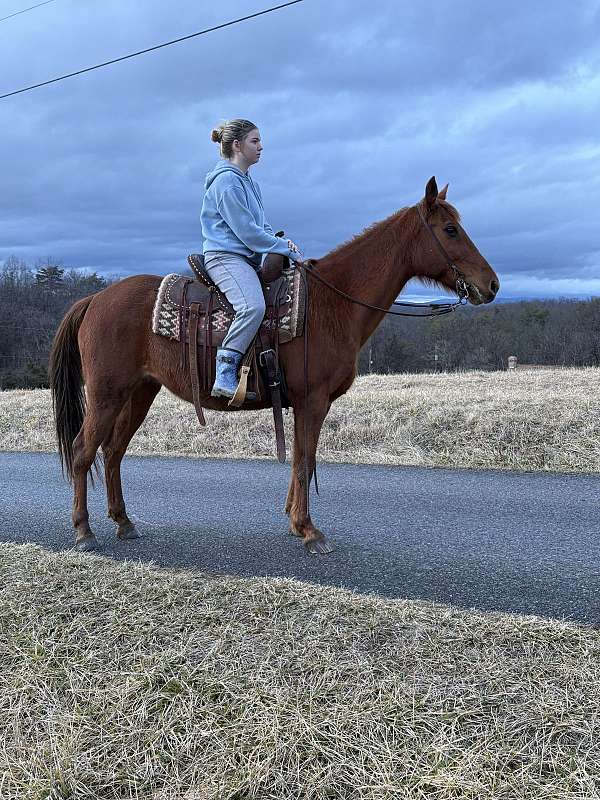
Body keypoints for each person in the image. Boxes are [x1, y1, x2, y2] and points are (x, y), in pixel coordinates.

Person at [200, 118, 303, 399]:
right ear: (237, 145)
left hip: (245, 258)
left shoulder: (249, 184)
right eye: (254, 141)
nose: (261, 147)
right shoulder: (227, 184)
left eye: (259, 141)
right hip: (225, 257)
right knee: (252, 306)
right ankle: (225, 371)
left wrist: (281, 243)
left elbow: (262, 228)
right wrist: (284, 248)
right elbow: (248, 234)